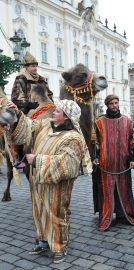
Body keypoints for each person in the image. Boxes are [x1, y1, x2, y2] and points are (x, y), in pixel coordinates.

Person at [7, 99, 92, 264]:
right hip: (38, 181)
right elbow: (29, 127)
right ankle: (42, 241)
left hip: (57, 186)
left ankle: (60, 247)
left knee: (56, 213)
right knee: (39, 211)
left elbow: (68, 164)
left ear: (66, 117)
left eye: (58, 111)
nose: (53, 112)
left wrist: (37, 160)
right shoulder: (46, 125)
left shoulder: (73, 137)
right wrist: (17, 113)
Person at [92, 94, 134, 231]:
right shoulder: (99, 122)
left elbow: (132, 141)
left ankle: (123, 215)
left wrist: (133, 158)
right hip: (106, 164)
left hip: (123, 163)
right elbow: (95, 142)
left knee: (123, 190)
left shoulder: (127, 121)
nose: (114, 105)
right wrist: (95, 157)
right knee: (106, 191)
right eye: (111, 103)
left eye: (116, 103)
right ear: (107, 105)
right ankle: (106, 215)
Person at [11, 51, 54, 166]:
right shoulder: (21, 78)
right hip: (28, 108)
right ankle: (19, 155)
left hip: (45, 106)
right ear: (26, 67)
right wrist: (28, 104)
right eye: (32, 66)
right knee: (20, 126)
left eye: (36, 66)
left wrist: (51, 104)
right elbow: (16, 96)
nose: (35, 68)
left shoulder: (42, 79)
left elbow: (49, 94)